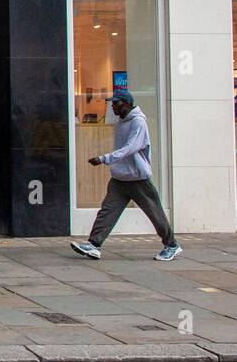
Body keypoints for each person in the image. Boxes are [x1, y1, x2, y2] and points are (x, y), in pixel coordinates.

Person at [71, 90, 180, 262]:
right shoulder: (121, 121)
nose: (112, 106)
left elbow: (130, 148)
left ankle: (172, 245)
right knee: (107, 212)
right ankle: (94, 245)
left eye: (116, 103)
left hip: (138, 179)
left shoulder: (138, 122)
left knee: (155, 213)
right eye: (112, 103)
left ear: (127, 104)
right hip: (120, 179)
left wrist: (104, 158)